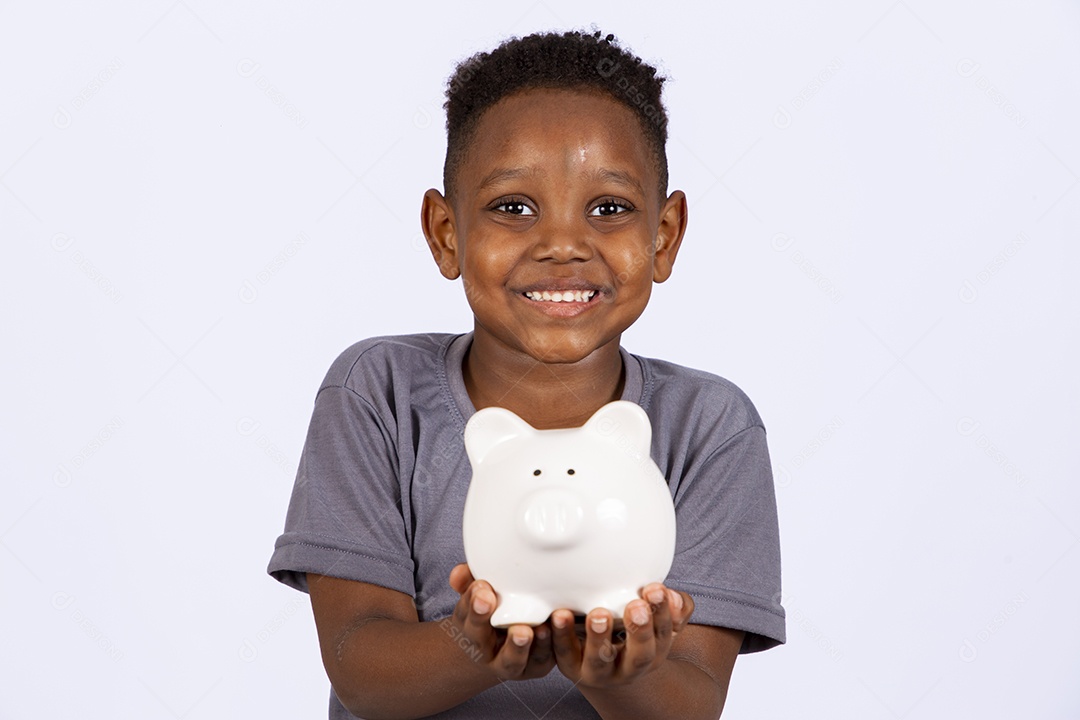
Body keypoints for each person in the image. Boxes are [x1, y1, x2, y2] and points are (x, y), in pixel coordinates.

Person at [267, 28, 785, 720]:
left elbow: (691, 704)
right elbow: (362, 667)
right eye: (514, 208)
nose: (564, 244)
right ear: (446, 234)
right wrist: (474, 643)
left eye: (609, 209)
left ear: (663, 237)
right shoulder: (378, 393)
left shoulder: (710, 427)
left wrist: (605, 669)